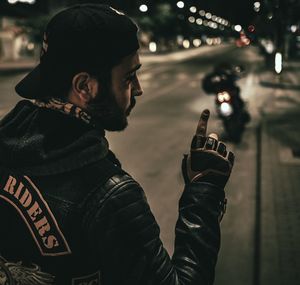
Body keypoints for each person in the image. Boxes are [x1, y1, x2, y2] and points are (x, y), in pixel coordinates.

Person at [0, 4, 234, 285]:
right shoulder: (111, 197)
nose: (138, 89)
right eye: (128, 77)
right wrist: (204, 193)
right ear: (85, 86)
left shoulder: (7, 142)